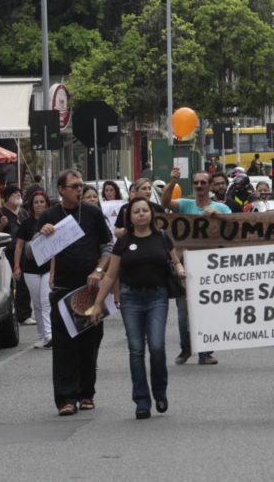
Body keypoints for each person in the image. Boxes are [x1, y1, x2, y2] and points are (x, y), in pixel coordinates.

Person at [92, 196, 184, 420]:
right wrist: (97, 305)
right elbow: (111, 275)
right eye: (137, 211)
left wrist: (180, 270)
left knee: (157, 346)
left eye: (145, 210)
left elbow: (175, 261)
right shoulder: (123, 243)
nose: (142, 214)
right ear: (130, 218)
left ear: (151, 214)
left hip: (157, 297)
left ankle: (159, 391)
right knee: (136, 350)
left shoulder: (162, 238)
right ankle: (142, 401)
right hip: (131, 298)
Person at [38, 169, 113, 416]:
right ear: (61, 189)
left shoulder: (92, 213)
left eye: (81, 185)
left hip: (90, 288)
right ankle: (65, 399)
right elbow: (33, 254)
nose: (79, 190)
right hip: (62, 289)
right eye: (74, 186)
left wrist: (99, 271)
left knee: (89, 343)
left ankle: (86, 393)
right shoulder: (49, 216)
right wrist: (43, 235)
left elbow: (107, 246)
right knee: (64, 347)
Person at [162, 168, 231, 365]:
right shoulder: (185, 205)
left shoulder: (222, 208)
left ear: (209, 186)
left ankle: (205, 351)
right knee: (183, 312)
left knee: (206, 311)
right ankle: (186, 349)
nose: (200, 186)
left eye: (203, 183)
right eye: (196, 183)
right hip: (186, 264)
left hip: (211, 266)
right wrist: (172, 181)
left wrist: (218, 216)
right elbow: (165, 204)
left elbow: (233, 227)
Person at [14, 190, 53, 349]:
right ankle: (42, 335)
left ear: (47, 203)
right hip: (30, 269)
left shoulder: (52, 221)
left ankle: (50, 334)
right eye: (36, 202)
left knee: (46, 301)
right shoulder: (26, 223)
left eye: (42, 202)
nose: (39, 205)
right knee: (36, 303)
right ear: (31, 205)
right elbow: (19, 245)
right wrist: (16, 265)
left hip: (49, 267)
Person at [0, 185, 34, 325]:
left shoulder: (23, 213)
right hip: (6, 253)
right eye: (14, 193)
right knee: (9, 284)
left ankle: (24, 314)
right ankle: (11, 313)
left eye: (19, 193)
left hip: (23, 252)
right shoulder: (0, 213)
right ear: (7, 197)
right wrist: (2, 225)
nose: (18, 195)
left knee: (23, 283)